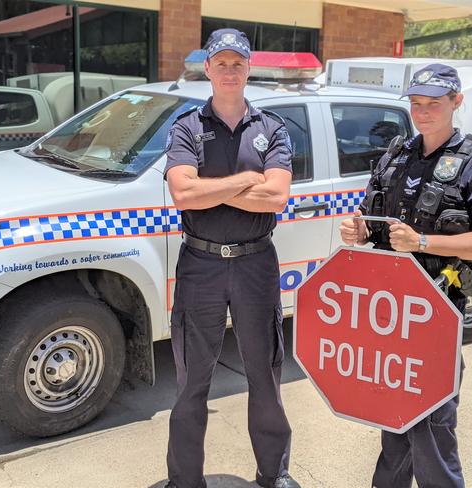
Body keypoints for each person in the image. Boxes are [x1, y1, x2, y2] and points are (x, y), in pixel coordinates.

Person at [340, 63, 472, 488]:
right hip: (390, 313)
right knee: (394, 419)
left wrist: (423, 243)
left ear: (456, 102)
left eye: (434, 103)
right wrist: (358, 230)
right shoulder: (396, 155)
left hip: (436, 310)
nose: (423, 112)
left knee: (432, 425)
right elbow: (373, 221)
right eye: (416, 104)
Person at [163, 28, 300, 488]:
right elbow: (183, 193)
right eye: (220, 62)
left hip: (255, 264)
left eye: (236, 63)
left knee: (265, 374)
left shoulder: (272, 128)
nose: (228, 70)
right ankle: (185, 480)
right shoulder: (186, 127)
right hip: (199, 265)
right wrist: (244, 182)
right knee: (191, 382)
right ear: (207, 68)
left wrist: (213, 190)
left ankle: (273, 473)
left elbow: (277, 197)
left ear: (248, 68)